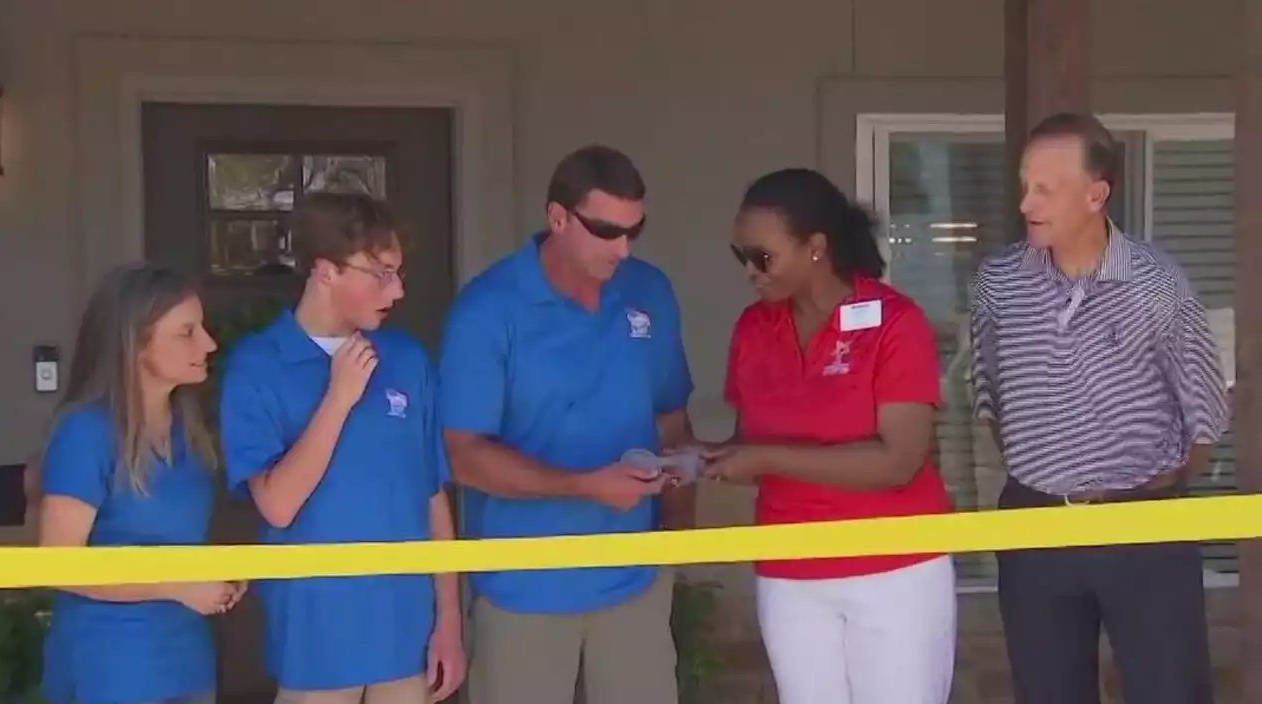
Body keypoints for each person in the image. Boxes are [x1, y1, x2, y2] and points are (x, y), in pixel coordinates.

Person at [970, 112, 1229, 704]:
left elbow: (1205, 408)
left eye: (1045, 188)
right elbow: (988, 393)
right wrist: (1048, 469)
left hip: (1144, 521)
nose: (1026, 202)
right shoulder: (998, 282)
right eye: (1024, 184)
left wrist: (1150, 489)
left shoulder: (1156, 282)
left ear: (1096, 193)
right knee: (1047, 692)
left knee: (1171, 691)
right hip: (1035, 523)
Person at [438, 144, 696, 704]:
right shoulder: (487, 309)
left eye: (635, 229)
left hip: (635, 579)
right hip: (522, 586)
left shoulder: (649, 291)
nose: (623, 247)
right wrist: (584, 485)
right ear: (557, 218)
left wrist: (675, 541)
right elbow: (464, 455)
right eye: (606, 230)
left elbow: (670, 416)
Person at [704, 168, 956, 704]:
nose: (749, 271)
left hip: (895, 568)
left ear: (815, 248)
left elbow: (899, 461)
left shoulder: (895, 322)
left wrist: (765, 456)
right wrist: (699, 460)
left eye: (762, 257)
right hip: (790, 568)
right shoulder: (753, 328)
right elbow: (749, 442)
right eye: (740, 256)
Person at [218, 192, 464, 704]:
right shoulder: (259, 365)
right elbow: (277, 505)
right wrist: (338, 398)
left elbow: (432, 497)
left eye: (399, 273)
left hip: (405, 633)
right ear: (325, 271)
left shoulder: (406, 359)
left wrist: (449, 622)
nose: (397, 290)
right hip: (317, 642)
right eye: (380, 273)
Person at [37, 262, 242, 704]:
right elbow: (57, 563)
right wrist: (177, 585)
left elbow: (172, 544)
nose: (208, 342)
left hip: (186, 662)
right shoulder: (86, 433)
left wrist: (215, 575)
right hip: (110, 669)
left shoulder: (188, 431)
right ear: (135, 343)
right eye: (186, 332)